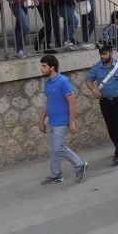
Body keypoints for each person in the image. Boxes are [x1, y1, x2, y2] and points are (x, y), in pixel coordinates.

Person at [84, 42, 118, 166]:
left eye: (105, 53)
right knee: (110, 127)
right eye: (101, 54)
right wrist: (93, 90)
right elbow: (88, 80)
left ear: (111, 53)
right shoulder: (97, 68)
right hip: (104, 101)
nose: (102, 56)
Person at [38, 53, 87, 185]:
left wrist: (72, 122)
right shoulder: (48, 83)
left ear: (52, 68)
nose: (41, 68)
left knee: (59, 148)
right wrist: (41, 120)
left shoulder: (63, 81)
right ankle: (56, 175)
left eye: (44, 66)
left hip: (62, 122)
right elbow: (47, 103)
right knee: (54, 149)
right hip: (51, 122)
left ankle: (80, 164)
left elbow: (72, 102)